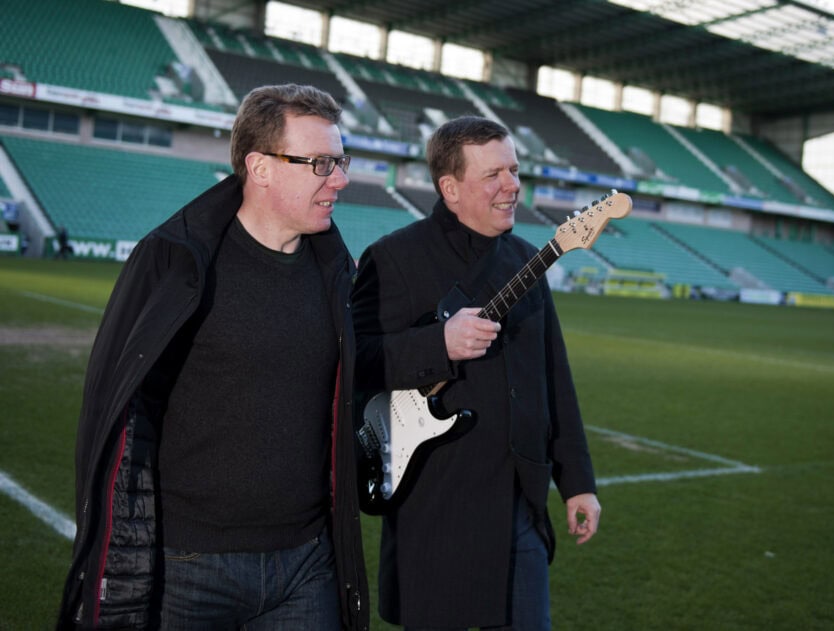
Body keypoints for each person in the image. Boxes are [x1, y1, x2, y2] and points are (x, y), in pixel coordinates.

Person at [56, 84, 369, 630]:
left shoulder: (336, 270)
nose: (339, 179)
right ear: (261, 167)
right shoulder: (179, 263)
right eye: (321, 163)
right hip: (190, 566)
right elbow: (118, 412)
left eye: (340, 161)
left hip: (308, 563)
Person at [351, 115, 601, 630]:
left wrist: (577, 482)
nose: (512, 186)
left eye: (513, 170)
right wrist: (435, 344)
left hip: (518, 507)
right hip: (434, 505)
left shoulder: (529, 259)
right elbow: (354, 361)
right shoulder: (394, 258)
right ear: (450, 187)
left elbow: (554, 378)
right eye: (493, 175)